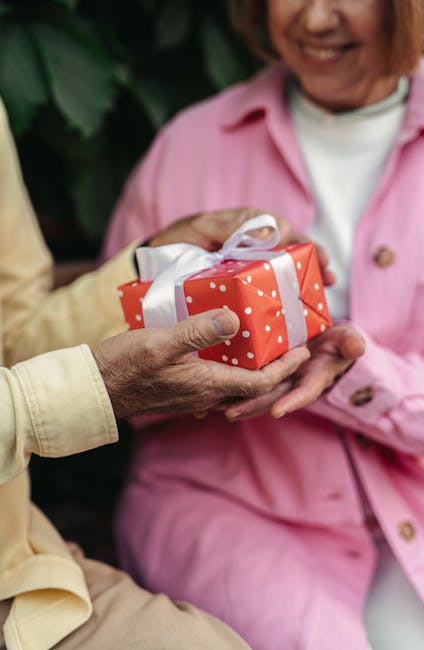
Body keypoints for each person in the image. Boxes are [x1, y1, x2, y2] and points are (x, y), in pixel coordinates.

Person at [103, 1, 424, 648]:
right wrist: (194, 351)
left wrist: (356, 374)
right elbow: (110, 370)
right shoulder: (191, 146)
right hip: (229, 505)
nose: (313, 21)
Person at [0, 88, 361, 650]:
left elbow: (15, 339)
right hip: (206, 499)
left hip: (17, 559)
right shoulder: (190, 141)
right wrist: (93, 391)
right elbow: (61, 386)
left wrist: (151, 264)